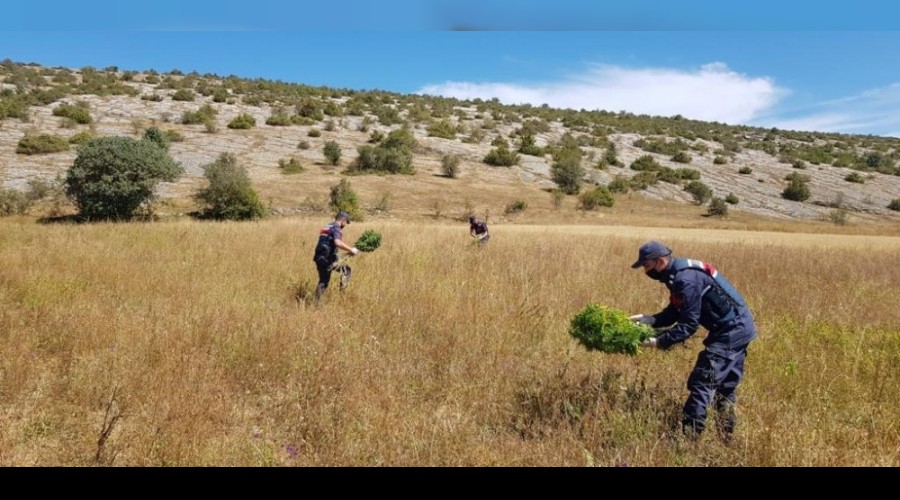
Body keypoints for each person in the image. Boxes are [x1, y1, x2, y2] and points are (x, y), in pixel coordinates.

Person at [629, 241, 757, 441]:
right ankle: (726, 437)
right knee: (724, 387)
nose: (646, 271)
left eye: (647, 266)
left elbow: (689, 325)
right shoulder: (677, 275)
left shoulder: (685, 279)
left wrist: (658, 342)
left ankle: (687, 440)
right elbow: (675, 311)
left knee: (702, 383)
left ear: (660, 261)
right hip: (737, 327)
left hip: (732, 331)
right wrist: (650, 320)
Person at [313, 211, 358, 303]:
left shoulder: (328, 226)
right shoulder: (336, 228)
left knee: (323, 281)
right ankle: (341, 294)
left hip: (319, 257)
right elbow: (337, 243)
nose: (345, 225)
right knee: (345, 270)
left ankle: (317, 303)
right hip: (326, 259)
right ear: (343, 220)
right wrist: (351, 250)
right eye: (346, 222)